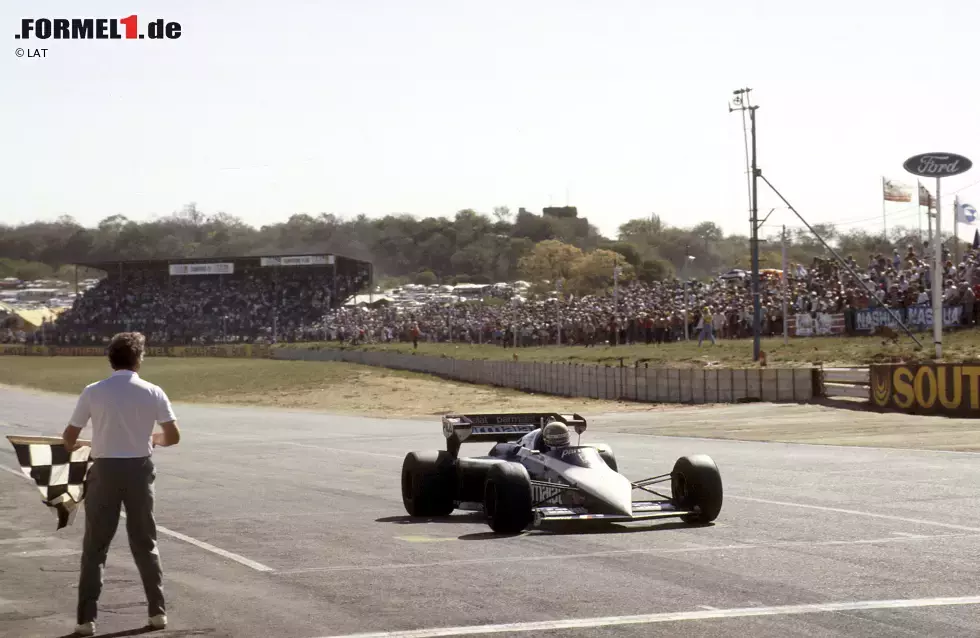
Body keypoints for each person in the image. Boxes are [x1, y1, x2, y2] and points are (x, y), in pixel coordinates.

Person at [61, 332, 181, 637]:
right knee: (145, 544)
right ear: (138, 359)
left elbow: (69, 437)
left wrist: (78, 445)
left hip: (104, 471)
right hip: (139, 470)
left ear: (111, 359)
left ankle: (86, 620)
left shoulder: (93, 391)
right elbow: (173, 435)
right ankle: (157, 612)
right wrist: (156, 439)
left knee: (95, 548)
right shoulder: (153, 391)